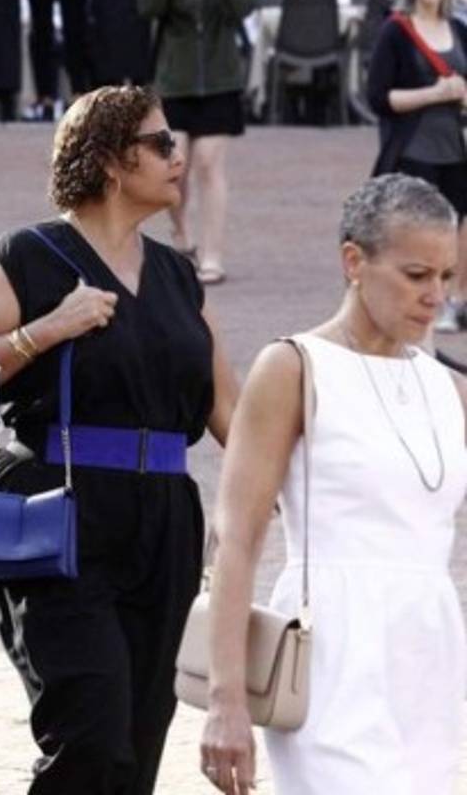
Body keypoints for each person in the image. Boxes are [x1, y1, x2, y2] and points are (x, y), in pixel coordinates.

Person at [0, 85, 236, 794]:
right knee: (89, 735)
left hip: (165, 520)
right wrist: (49, 328)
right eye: (160, 144)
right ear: (111, 162)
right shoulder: (25, 257)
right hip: (59, 510)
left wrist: (286, 483)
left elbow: (227, 407)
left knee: (140, 740)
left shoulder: (177, 275)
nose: (178, 157)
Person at [200, 174, 467, 795]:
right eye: (415, 274)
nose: (435, 296)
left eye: (447, 276)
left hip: (428, 651)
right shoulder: (293, 366)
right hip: (328, 649)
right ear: (354, 261)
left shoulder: (446, 388)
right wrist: (227, 698)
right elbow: (235, 541)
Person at [139, 0, 256, 284]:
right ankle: (182, 237)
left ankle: (213, 256)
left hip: (220, 84)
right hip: (176, 84)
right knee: (176, 165)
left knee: (209, 165)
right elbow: (147, 7)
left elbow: (242, 8)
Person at [367, 0, 467, 332]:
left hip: (458, 145)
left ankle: (458, 299)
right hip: (414, 148)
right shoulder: (395, 31)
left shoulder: (459, 29)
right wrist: (434, 94)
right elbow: (379, 97)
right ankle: (422, 302)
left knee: (461, 224)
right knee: (422, 229)